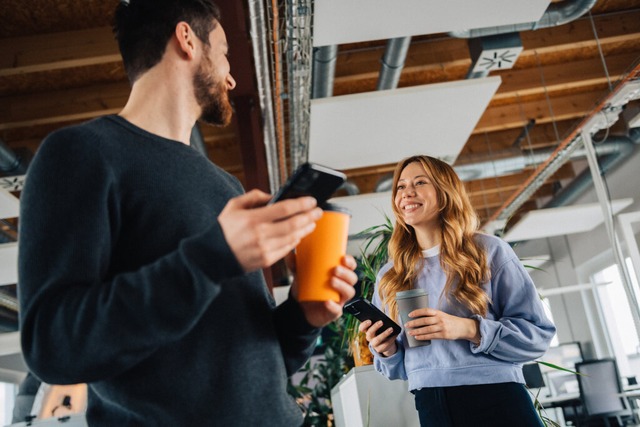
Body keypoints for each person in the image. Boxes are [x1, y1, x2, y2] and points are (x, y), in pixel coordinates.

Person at [17, 1, 357, 426]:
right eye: (225, 52)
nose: (232, 77)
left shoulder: (226, 187)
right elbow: (52, 346)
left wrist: (303, 318)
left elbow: (259, 370)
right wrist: (212, 256)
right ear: (186, 40)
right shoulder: (81, 154)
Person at [359, 155, 556, 427]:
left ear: (445, 193)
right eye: (400, 187)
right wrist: (387, 350)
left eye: (419, 182)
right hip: (432, 404)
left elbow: (537, 335)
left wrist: (466, 328)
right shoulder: (391, 275)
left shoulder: (489, 251)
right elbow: (399, 369)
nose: (407, 193)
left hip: (497, 397)